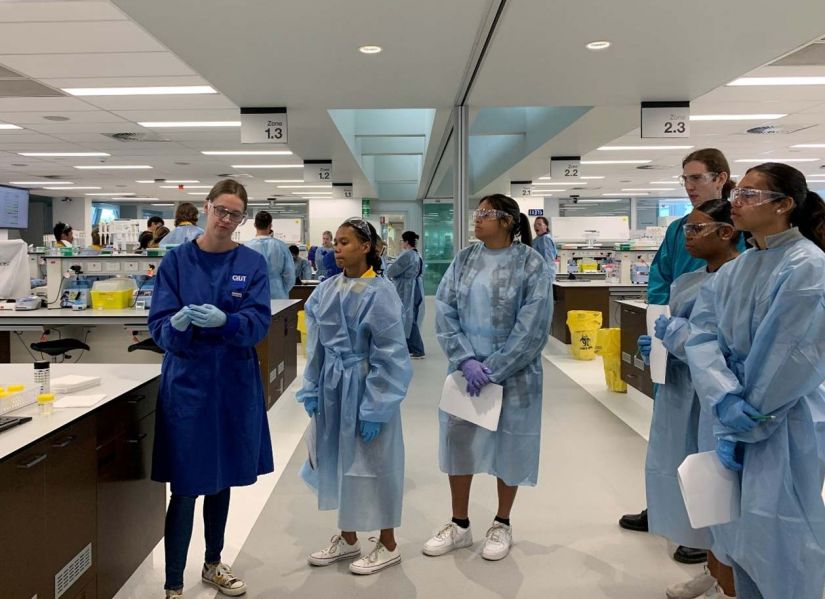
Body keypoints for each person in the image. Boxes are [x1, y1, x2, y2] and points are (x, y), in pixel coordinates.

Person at [685, 163, 825, 599]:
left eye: (749, 195)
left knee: (782, 539)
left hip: (782, 422)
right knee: (735, 538)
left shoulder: (807, 267)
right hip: (730, 415)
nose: (735, 203)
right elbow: (702, 336)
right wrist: (725, 400)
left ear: (784, 206)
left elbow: (792, 356)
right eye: (737, 193)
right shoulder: (738, 268)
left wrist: (752, 413)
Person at [148, 179, 273, 598]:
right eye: (220, 209)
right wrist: (175, 325)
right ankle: (173, 585)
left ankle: (214, 563)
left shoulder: (252, 264)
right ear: (206, 208)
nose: (225, 219)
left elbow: (258, 322)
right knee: (185, 485)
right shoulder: (176, 262)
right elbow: (159, 328)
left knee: (222, 478)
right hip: (188, 386)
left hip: (233, 385)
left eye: (235, 214)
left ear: (243, 219)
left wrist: (229, 321)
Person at [620, 148, 739, 566]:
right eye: (684, 179)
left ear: (721, 177)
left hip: (714, 369)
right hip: (674, 357)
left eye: (697, 178)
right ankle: (668, 510)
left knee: (704, 445)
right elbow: (661, 280)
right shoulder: (677, 230)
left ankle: (703, 531)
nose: (689, 186)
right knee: (670, 441)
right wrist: (660, 326)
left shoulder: (736, 230)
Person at [425, 194, 552, 562]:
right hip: (466, 373)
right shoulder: (464, 260)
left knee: (511, 444)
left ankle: (502, 522)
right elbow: (445, 309)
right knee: (458, 443)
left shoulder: (531, 264)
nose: (477, 220)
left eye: (485, 214)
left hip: (516, 373)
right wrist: (465, 360)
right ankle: (459, 524)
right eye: (476, 214)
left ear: (509, 221)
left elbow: (534, 325)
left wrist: (495, 368)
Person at [296, 217, 412, 575]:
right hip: (332, 387)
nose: (338, 249)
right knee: (338, 458)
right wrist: (312, 386)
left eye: (346, 243)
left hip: (365, 383)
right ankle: (348, 538)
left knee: (374, 463)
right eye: (336, 243)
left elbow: (391, 353)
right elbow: (316, 344)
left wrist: (377, 407)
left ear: (367, 247)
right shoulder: (326, 289)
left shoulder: (381, 292)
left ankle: (388, 542)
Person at [638, 200, 741, 599]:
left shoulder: (740, 280)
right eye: (687, 231)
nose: (689, 238)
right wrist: (660, 345)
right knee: (695, 487)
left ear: (726, 231)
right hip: (683, 393)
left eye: (698, 229)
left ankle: (730, 584)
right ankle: (713, 570)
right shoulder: (689, 279)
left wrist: (679, 339)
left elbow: (723, 345)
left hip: (718, 397)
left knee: (723, 498)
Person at [386, 231, 425, 358]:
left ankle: (417, 349)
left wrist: (388, 267)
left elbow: (392, 271)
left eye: (402, 241)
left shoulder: (407, 255)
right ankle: (410, 347)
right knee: (409, 318)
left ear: (406, 242)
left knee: (409, 319)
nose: (401, 243)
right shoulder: (416, 254)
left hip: (407, 289)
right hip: (415, 288)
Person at [244, 211, 295, 300]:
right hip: (278, 294)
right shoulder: (281, 246)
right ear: (270, 225)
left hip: (254, 294)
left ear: (254, 225)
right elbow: (290, 274)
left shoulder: (246, 248)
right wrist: (282, 290)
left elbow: (241, 276)